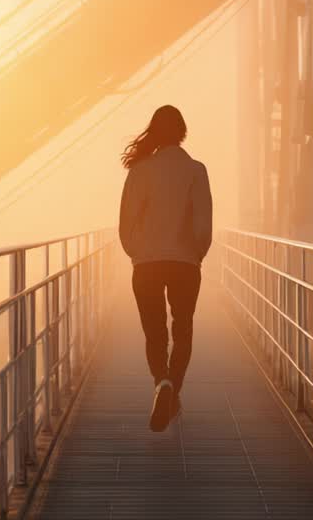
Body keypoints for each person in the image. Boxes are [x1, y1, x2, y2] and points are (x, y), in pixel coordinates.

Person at [118, 105, 212, 431]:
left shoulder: (140, 171)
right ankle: (173, 388)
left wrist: (136, 251)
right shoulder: (196, 170)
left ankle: (162, 384)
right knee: (182, 329)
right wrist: (197, 253)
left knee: (154, 333)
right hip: (185, 262)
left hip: (146, 263)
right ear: (182, 132)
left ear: (155, 132)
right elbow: (203, 222)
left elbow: (126, 221)